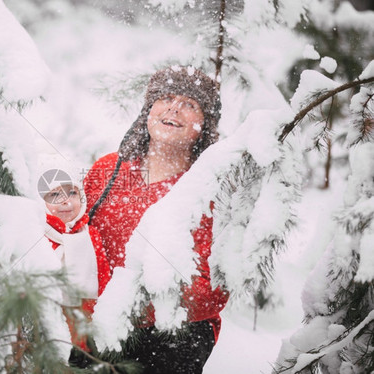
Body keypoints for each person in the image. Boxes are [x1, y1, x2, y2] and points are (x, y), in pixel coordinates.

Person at [83, 65, 229, 374]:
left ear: (205, 124)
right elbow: (78, 235)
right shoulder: (107, 170)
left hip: (171, 333)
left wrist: (136, 307)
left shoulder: (210, 189)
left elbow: (215, 286)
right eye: (166, 98)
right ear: (149, 110)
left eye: (190, 104)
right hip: (95, 321)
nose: (174, 108)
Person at [38, 164, 111, 355]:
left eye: (72, 193)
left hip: (87, 330)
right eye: (54, 195)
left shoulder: (90, 234)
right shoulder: (39, 237)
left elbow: (103, 277)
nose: (65, 202)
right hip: (52, 336)